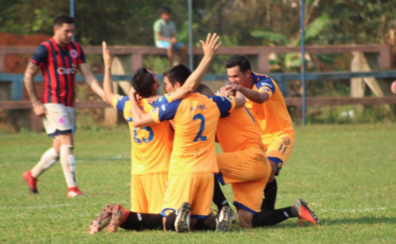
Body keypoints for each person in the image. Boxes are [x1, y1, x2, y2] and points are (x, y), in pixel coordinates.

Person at [130, 34, 247, 233]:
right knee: (201, 220)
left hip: (183, 169)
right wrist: (234, 89)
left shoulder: (172, 106)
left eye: (167, 84)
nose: (164, 88)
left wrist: (132, 97)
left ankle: (179, 214)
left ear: (178, 86)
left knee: (167, 222)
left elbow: (139, 120)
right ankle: (219, 217)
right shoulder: (214, 102)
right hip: (207, 171)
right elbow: (242, 100)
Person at [198, 83, 319, 228]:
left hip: (250, 160)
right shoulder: (219, 109)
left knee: (201, 164)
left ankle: (225, 208)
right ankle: (294, 210)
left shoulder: (217, 104)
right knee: (246, 221)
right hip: (252, 165)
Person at [89, 42, 174, 234]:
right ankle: (122, 213)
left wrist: (108, 65)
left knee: (143, 223)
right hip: (159, 170)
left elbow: (108, 94)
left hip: (138, 171)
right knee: (161, 221)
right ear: (155, 85)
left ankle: (116, 215)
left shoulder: (128, 104)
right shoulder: (162, 104)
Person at [22, 14, 105, 197]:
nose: (70, 34)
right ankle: (72, 189)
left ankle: (31, 174)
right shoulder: (45, 49)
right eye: (66, 31)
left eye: (72, 31)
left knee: (59, 149)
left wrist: (103, 93)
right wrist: (36, 103)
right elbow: (28, 76)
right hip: (53, 103)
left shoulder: (76, 49)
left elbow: (88, 75)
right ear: (56, 30)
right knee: (68, 142)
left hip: (69, 103)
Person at [222, 55, 295, 211]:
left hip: (279, 134)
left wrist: (240, 90)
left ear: (248, 72)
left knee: (268, 168)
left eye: (236, 76)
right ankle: (256, 207)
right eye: (229, 77)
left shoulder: (265, 82)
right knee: (255, 170)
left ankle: (268, 208)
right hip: (255, 139)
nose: (232, 80)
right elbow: (210, 101)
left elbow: (261, 98)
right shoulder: (231, 89)